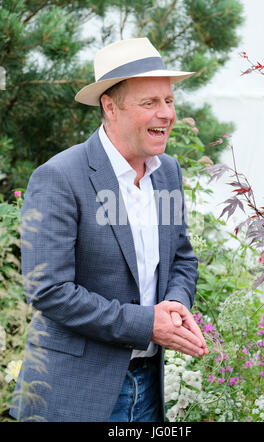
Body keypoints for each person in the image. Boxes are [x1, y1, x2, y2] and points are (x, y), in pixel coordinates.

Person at [10, 37, 208, 423]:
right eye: (149, 103)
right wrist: (147, 323)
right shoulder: (59, 177)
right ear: (110, 106)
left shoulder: (167, 172)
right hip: (74, 396)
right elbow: (48, 290)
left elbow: (183, 256)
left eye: (168, 100)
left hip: (150, 389)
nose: (166, 113)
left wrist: (176, 306)